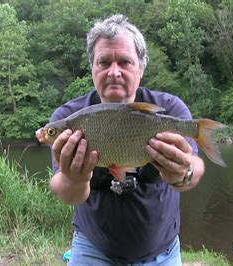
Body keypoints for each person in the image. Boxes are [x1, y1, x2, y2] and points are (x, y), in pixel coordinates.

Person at [48, 14, 206, 265]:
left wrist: (182, 173)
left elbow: (196, 168)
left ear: (141, 68)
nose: (114, 72)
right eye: (104, 62)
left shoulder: (169, 108)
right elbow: (66, 194)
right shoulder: (70, 118)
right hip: (93, 248)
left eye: (124, 62)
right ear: (92, 68)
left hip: (162, 250)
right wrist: (73, 178)